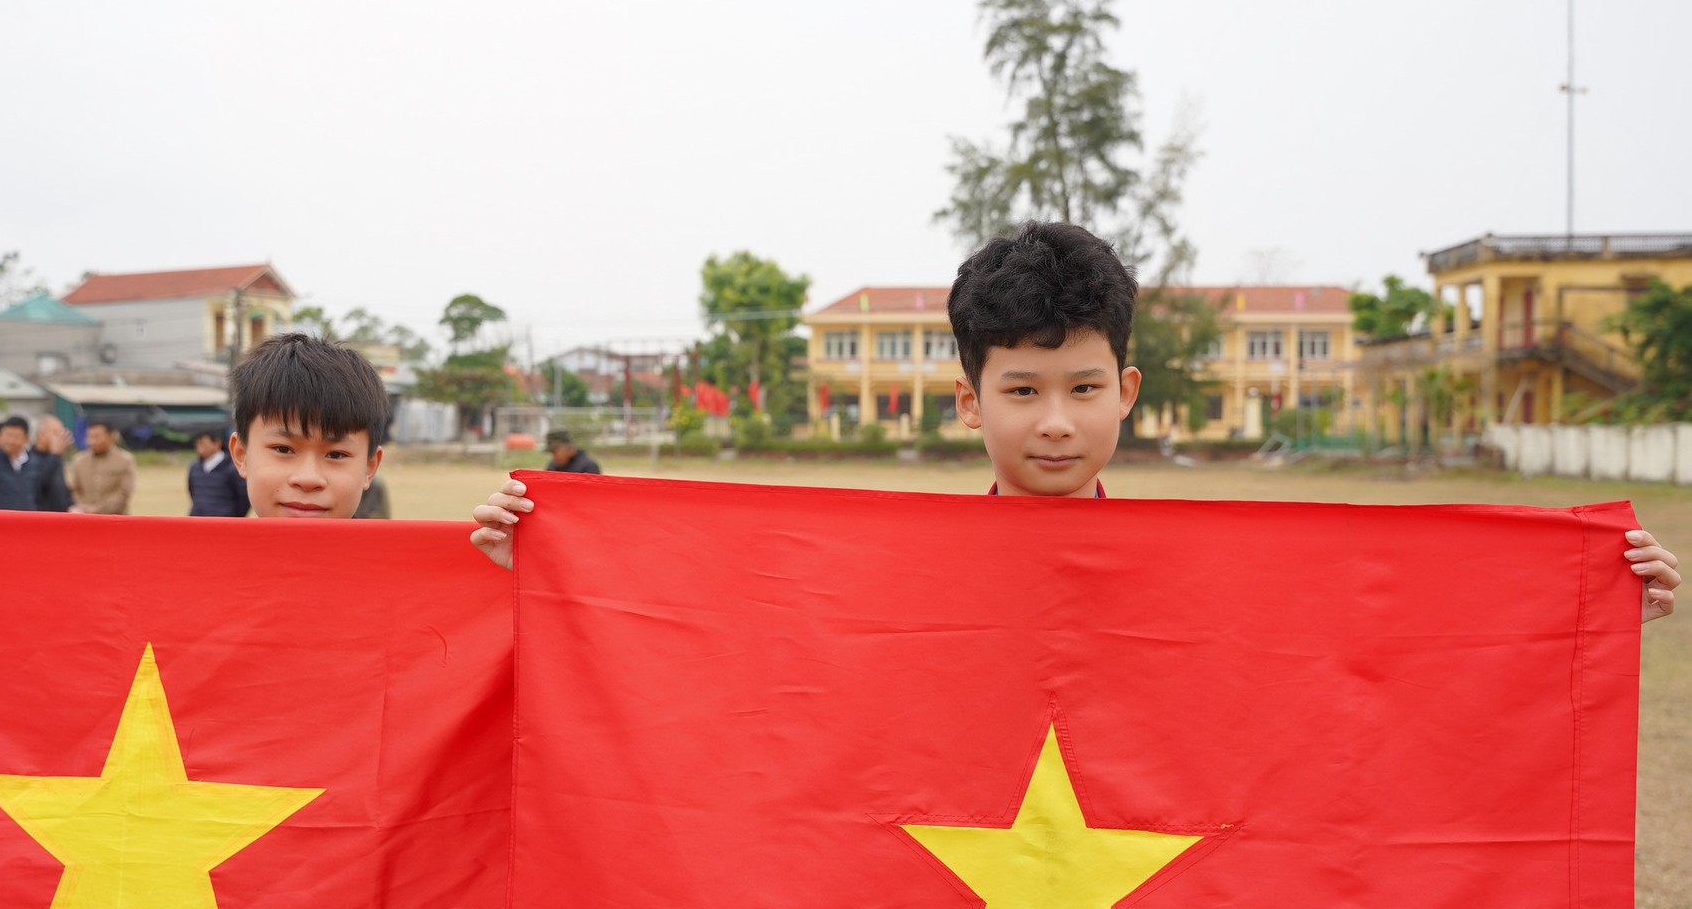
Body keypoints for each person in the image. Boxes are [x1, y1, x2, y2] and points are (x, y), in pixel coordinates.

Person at [471, 221, 1681, 623]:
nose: (1056, 423)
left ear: (1129, 392)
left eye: (1084, 388)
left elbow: (1379, 633)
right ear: (966, 399)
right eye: (1022, 390)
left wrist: (1579, 588)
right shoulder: (895, 578)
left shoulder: (1204, 577)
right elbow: (712, 626)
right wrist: (550, 557)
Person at [227, 333, 388, 519]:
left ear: (369, 466)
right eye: (283, 449)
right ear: (241, 454)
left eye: (336, 454)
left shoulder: (404, 549)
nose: (308, 479)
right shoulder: (199, 548)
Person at [68, 421, 136, 515]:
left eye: (97, 437)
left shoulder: (125, 460)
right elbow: (73, 489)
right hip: (85, 519)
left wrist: (99, 509)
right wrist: (82, 506)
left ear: (111, 436)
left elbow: (123, 493)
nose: (92, 441)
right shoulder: (79, 461)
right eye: (89, 437)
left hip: (115, 520)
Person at [187, 429, 251, 517]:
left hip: (225, 523)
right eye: (198, 443)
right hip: (198, 520)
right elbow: (192, 492)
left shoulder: (232, 468)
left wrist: (233, 517)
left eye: (204, 444)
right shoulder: (195, 468)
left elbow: (244, 497)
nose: (200, 447)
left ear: (217, 444)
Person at [29, 416, 75, 513]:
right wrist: (54, 455)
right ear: (41, 435)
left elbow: (61, 489)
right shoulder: (28, 459)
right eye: (56, 433)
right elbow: (39, 484)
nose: (60, 438)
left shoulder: (56, 458)